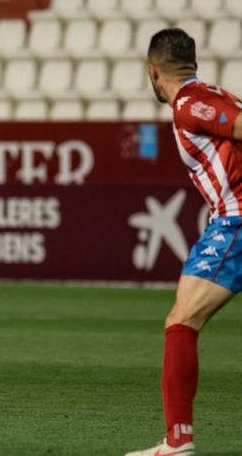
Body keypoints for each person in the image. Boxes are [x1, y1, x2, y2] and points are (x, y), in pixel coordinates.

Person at [126, 28, 242, 456]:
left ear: (153, 71)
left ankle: (178, 442)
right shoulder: (209, 95)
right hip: (229, 222)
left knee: (182, 321)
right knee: (180, 318)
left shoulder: (192, 105)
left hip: (237, 223)